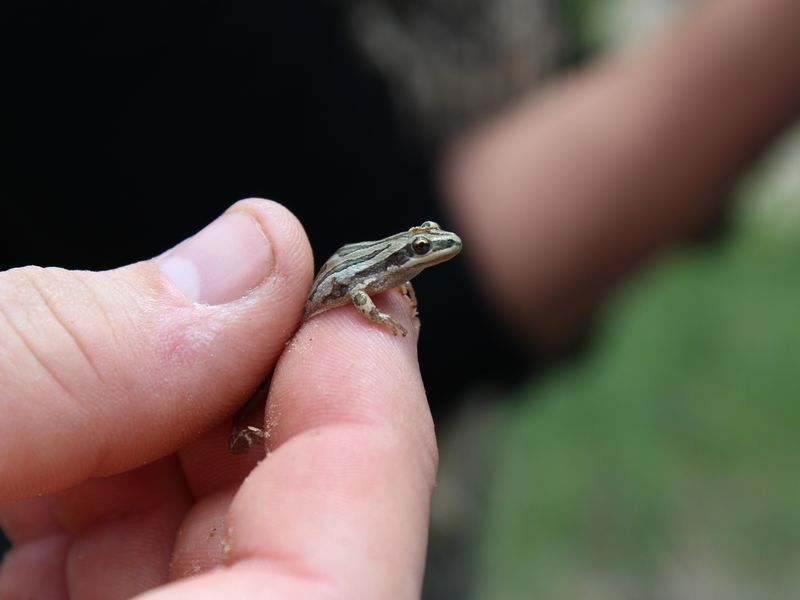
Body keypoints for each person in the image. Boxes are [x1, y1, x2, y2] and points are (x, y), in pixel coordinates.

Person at [0, 199, 436, 598]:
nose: (432, 248)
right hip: (329, 289)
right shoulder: (382, 272)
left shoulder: (398, 275)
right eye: (421, 245)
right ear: (405, 252)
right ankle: (239, 432)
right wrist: (379, 318)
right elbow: (358, 291)